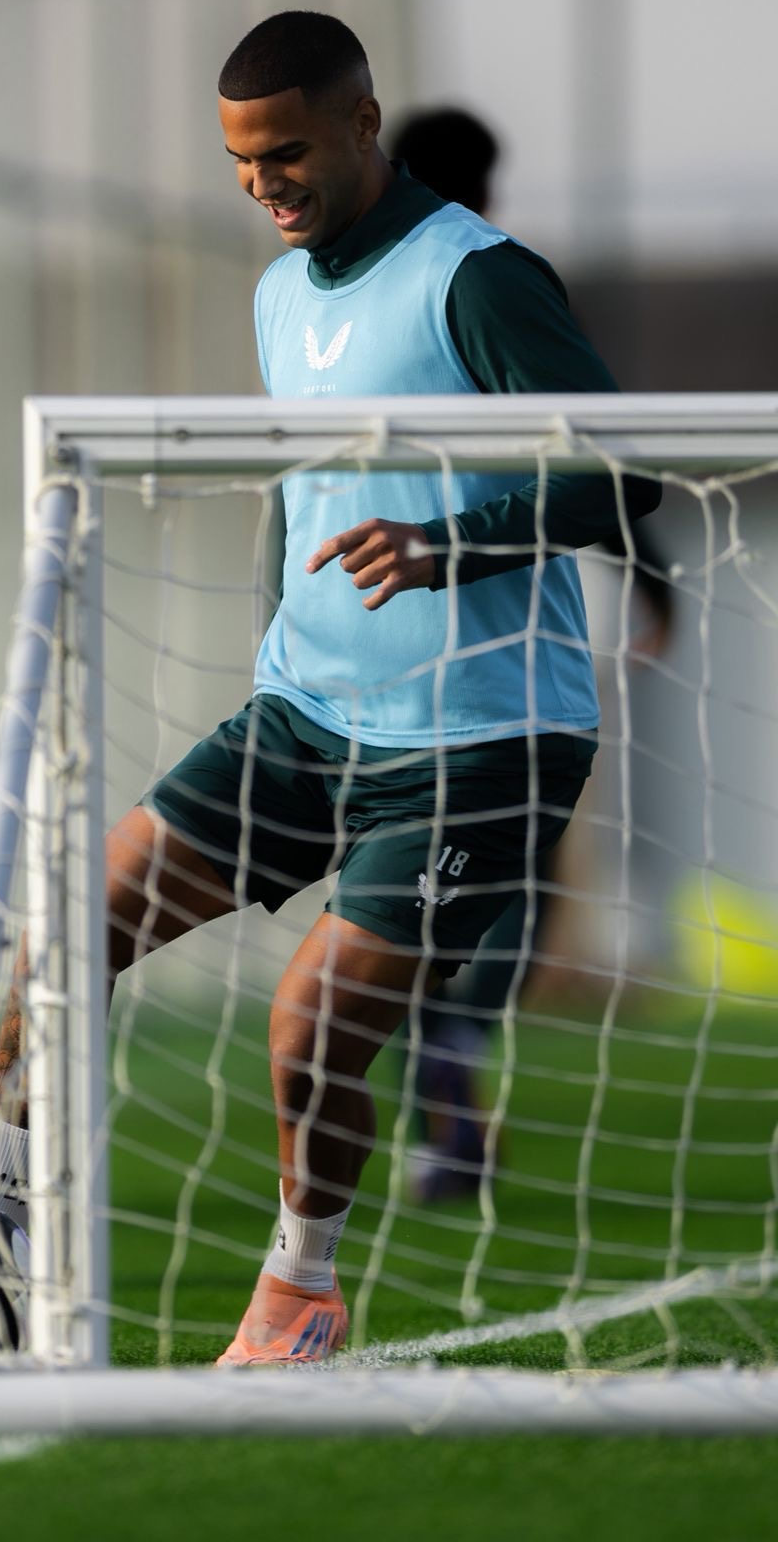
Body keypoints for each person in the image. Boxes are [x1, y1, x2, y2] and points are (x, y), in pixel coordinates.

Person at [0, 11, 659, 1366]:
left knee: (308, 1027)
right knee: (56, 945)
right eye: (242, 163)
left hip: (480, 741)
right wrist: (281, 642)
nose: (263, 185)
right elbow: (304, 494)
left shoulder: (475, 278)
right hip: (303, 720)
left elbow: (626, 472)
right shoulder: (277, 295)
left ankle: (301, 1291)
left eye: (286, 154)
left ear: (362, 123)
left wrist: (451, 543)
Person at [385, 105, 676, 1202]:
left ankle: (440, 1097)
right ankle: (451, 1063)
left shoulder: (362, 293)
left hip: (387, 634)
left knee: (419, 880)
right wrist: (652, 584)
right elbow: (594, 458)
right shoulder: (493, 280)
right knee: (512, 875)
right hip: (505, 645)